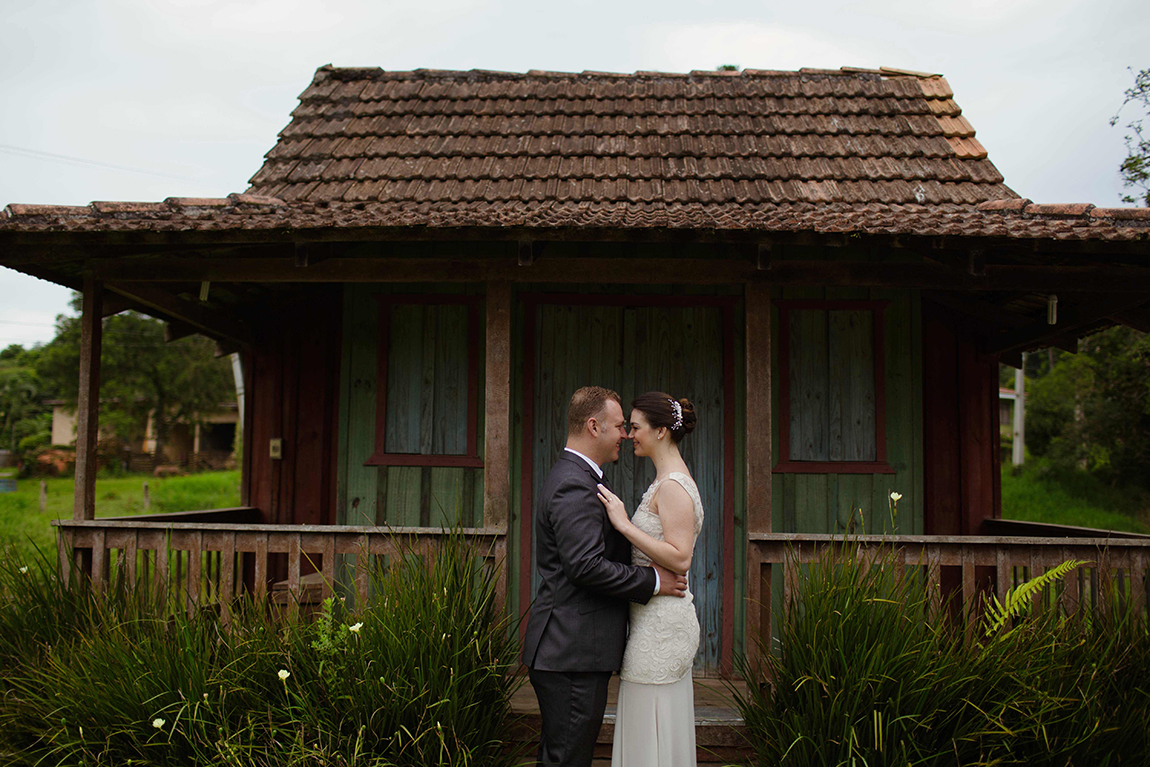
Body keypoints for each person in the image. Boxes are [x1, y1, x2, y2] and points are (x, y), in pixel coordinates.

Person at [522, 386, 689, 767]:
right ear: (594, 426)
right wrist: (653, 581)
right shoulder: (573, 483)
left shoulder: (581, 476)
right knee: (567, 759)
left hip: (573, 651)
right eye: (618, 426)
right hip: (571, 654)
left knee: (563, 757)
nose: (626, 435)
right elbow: (584, 566)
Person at [596, 392, 702, 767]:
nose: (629, 435)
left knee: (649, 731)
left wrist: (623, 524)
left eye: (636, 427)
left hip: (661, 630)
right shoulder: (665, 482)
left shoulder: (673, 486)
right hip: (650, 623)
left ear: (660, 431)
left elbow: (681, 556)